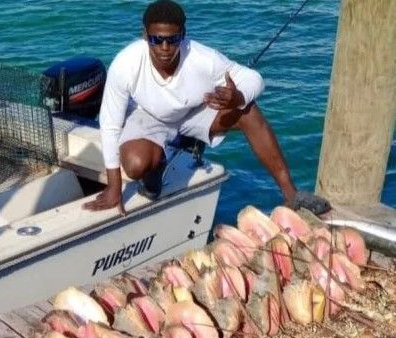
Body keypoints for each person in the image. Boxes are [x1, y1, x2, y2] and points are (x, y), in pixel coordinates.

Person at [84, 0, 328, 215]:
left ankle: (291, 194)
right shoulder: (125, 64)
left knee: (248, 110)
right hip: (148, 115)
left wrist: (238, 97)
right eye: (157, 40)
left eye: (173, 39)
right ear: (145, 35)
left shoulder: (203, 58)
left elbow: (254, 79)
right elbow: (110, 124)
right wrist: (114, 187)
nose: (165, 48)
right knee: (136, 164)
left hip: (193, 113)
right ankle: (156, 170)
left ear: (183, 34)